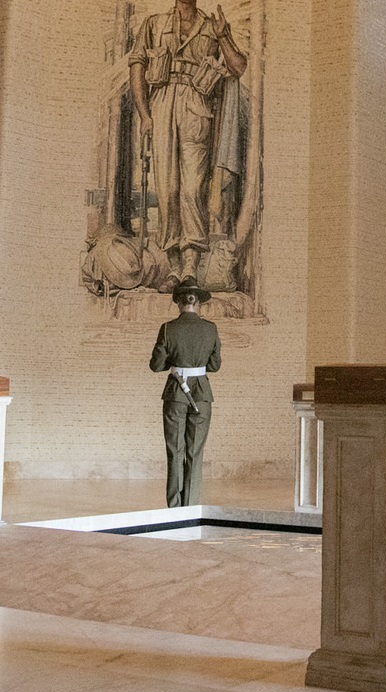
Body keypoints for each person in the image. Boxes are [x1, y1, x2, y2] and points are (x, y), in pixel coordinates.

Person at [129, 1, 247, 292]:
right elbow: (137, 67)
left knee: (193, 189)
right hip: (162, 105)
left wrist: (223, 36)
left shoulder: (211, 26)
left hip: (196, 107)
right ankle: (174, 268)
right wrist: (144, 115)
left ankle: (191, 268)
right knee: (168, 189)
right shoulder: (154, 24)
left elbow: (239, 67)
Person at [150, 279, 222, 507]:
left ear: (179, 302)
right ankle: (190, 508)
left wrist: (175, 361)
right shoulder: (210, 329)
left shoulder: (168, 328)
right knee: (194, 453)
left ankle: (174, 508)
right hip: (202, 394)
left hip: (175, 394)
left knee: (175, 451)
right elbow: (215, 365)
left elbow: (156, 364)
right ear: (198, 302)